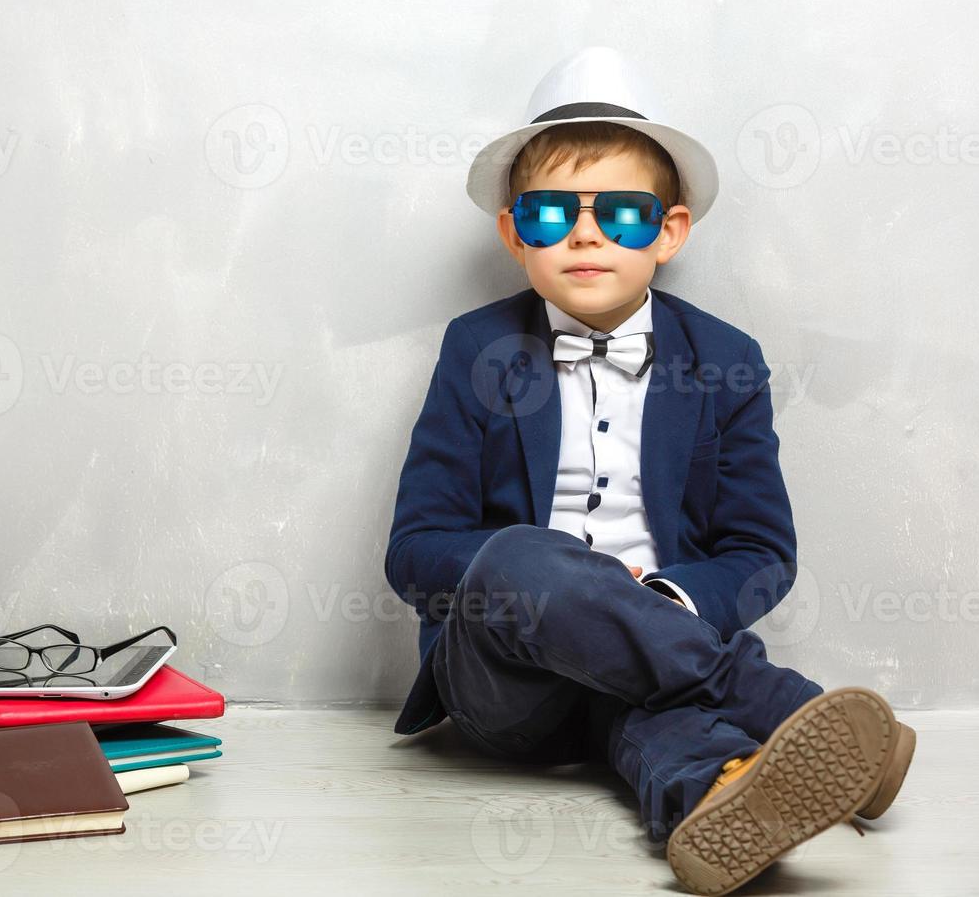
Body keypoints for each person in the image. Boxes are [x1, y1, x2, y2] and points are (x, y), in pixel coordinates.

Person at [382, 47, 915, 895]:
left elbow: (761, 551)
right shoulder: (477, 347)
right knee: (521, 555)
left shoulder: (728, 360)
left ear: (670, 231)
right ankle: (763, 696)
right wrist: (563, 583)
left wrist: (656, 602)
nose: (586, 234)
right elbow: (414, 551)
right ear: (513, 231)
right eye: (552, 212)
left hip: (652, 676)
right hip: (506, 682)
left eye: (623, 215)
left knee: (649, 717)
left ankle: (722, 791)